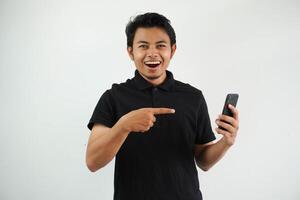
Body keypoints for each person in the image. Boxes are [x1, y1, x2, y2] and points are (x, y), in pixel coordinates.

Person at [86, 12, 239, 200]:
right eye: (143, 46)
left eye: (160, 46)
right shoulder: (113, 97)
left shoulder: (193, 97)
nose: (152, 53)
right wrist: (123, 125)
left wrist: (226, 142)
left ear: (172, 50)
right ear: (130, 52)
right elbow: (93, 162)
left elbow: (204, 161)